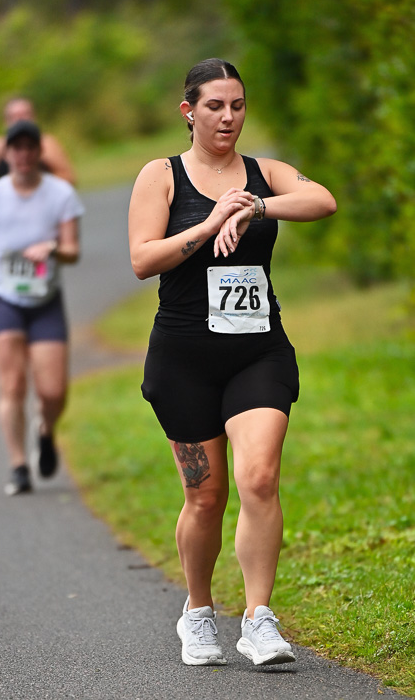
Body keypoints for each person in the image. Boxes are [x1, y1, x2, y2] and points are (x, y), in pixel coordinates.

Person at [128, 58, 337, 667]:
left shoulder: (262, 172)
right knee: (206, 496)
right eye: (215, 106)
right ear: (189, 110)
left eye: (237, 105)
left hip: (257, 351)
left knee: (260, 478)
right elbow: (143, 259)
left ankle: (258, 618)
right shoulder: (161, 176)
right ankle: (197, 612)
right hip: (185, 357)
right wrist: (211, 220)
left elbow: (321, 200)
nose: (228, 117)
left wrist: (256, 209)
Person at [0, 119, 84, 496]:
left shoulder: (60, 194)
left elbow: (73, 250)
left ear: (40, 153)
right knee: (12, 384)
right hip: (2, 298)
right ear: (6, 155)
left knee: (54, 391)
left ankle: (45, 430)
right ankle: (18, 466)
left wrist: (53, 248)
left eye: (30, 148)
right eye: (16, 148)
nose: (23, 155)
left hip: (45, 300)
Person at [0, 96, 76, 192]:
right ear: (5, 121)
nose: (20, 120)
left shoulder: (47, 143)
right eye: (15, 116)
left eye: (25, 115)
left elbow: (69, 178)